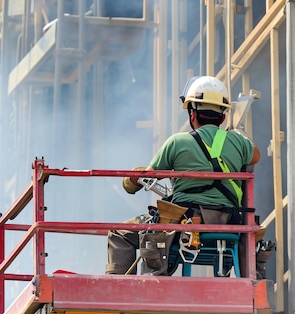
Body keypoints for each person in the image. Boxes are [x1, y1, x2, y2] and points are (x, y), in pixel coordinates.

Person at [106, 75, 261, 275]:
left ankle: (117, 289)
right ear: (222, 118)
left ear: (191, 114)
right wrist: (237, 135)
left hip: (185, 223)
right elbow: (255, 157)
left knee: (120, 232)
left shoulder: (177, 142)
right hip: (229, 221)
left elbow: (145, 178)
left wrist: (131, 179)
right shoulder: (239, 143)